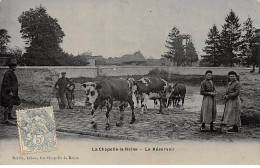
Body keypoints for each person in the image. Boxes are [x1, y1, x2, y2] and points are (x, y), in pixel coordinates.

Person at [0, 58, 20, 125]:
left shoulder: (11, 73)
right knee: (7, 104)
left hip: (12, 92)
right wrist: (9, 91)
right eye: (15, 67)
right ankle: (5, 119)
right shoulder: (8, 73)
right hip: (7, 92)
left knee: (11, 103)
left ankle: (9, 115)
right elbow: (6, 83)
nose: (16, 68)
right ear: (12, 67)